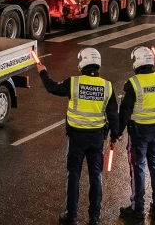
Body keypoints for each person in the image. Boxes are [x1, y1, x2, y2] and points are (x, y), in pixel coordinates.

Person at [37, 48, 119, 225]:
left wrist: (42, 71)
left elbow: (52, 88)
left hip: (76, 139)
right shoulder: (107, 86)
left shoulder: (73, 82)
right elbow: (113, 114)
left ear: (82, 62)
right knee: (95, 176)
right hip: (97, 139)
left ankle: (71, 215)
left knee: (73, 175)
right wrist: (114, 136)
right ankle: (94, 217)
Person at [116, 47, 155, 221]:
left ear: (136, 62)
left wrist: (117, 132)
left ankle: (137, 209)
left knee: (138, 168)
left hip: (138, 133)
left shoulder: (133, 83)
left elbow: (125, 112)